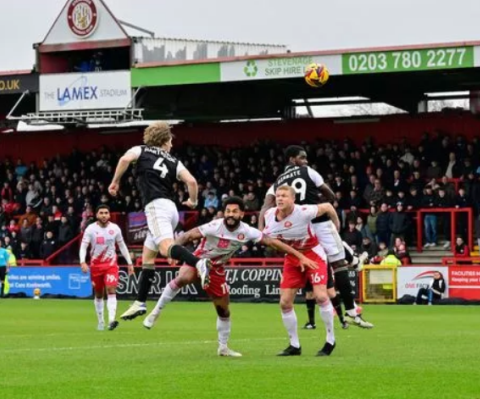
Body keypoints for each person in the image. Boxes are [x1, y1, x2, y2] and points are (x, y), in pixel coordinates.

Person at [142, 197, 318, 357]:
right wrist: (174, 252)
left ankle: (223, 347)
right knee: (184, 277)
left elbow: (273, 242)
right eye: (228, 211)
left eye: (234, 211)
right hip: (199, 261)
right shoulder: (214, 226)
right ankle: (155, 312)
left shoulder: (247, 231)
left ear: (242, 213)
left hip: (217, 269)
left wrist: (300, 256)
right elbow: (188, 235)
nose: (230, 215)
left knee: (223, 310)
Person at [259, 145, 373, 329]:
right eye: (302, 157)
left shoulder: (279, 182)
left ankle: (353, 259)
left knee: (323, 266)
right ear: (292, 159)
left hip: (299, 226)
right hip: (317, 220)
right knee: (339, 265)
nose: (305, 161)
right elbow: (329, 195)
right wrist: (316, 201)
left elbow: (265, 207)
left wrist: (261, 231)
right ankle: (352, 311)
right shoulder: (308, 171)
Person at [108, 122, 201, 321]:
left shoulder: (140, 150)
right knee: (148, 258)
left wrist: (115, 181)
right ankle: (140, 302)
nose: (171, 145)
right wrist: (193, 201)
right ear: (165, 140)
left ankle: (199, 263)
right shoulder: (174, 161)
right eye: (170, 141)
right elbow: (191, 182)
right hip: (171, 208)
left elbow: (124, 159)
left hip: (156, 207)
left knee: (166, 248)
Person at [263, 185, 341, 357]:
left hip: (313, 253)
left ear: (293, 199)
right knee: (285, 302)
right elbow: (269, 238)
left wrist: (336, 227)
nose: (280, 199)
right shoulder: (269, 215)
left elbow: (328, 207)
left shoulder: (304, 211)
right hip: (292, 258)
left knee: (321, 296)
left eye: (284, 195)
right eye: (278, 196)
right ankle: (294, 345)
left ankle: (330, 340)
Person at [80, 205, 134, 331]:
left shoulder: (115, 228)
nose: (104, 215)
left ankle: (111, 320)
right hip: (96, 266)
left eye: (106, 213)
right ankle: (101, 321)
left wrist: (130, 263)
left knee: (111, 289)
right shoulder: (90, 229)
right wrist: (83, 262)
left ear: (109, 215)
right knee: (99, 294)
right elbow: (83, 247)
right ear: (97, 215)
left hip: (111, 265)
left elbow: (122, 246)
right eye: (101, 213)